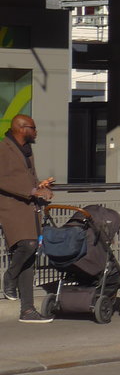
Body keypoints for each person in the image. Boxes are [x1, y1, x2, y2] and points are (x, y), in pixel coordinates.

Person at [0, 114, 55, 323]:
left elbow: (28, 178)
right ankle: (10, 276)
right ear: (22, 128)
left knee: (30, 258)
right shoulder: (3, 148)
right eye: (34, 128)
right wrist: (31, 190)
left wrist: (42, 187)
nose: (36, 132)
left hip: (28, 207)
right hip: (10, 207)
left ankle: (28, 310)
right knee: (28, 245)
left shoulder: (27, 150)